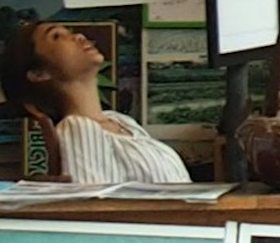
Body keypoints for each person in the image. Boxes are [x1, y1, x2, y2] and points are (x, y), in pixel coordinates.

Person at [10, 18, 194, 189]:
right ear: (39, 74)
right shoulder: (78, 128)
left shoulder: (121, 121)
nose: (79, 36)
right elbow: (92, 207)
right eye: (57, 37)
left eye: (70, 31)